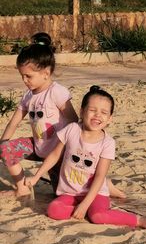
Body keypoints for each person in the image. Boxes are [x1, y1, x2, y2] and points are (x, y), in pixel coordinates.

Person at [0, 33, 124, 199]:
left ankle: (108, 186)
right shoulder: (28, 96)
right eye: (21, 75)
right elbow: (14, 123)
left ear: (46, 73)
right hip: (39, 147)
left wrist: (81, 147)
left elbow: (75, 121)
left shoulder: (57, 92)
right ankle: (22, 187)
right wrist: (3, 142)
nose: (24, 80)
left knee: (63, 193)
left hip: (60, 153)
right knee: (5, 149)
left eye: (28, 76)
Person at [25, 85, 146, 228]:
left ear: (110, 119)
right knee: (54, 211)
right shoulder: (71, 129)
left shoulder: (108, 143)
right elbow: (54, 156)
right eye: (92, 110)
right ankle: (85, 211)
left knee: (97, 216)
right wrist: (36, 176)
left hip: (95, 193)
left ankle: (138, 220)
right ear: (82, 112)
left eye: (104, 112)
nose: (97, 115)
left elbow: (99, 177)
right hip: (69, 192)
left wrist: (85, 204)